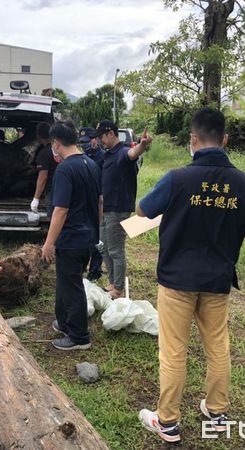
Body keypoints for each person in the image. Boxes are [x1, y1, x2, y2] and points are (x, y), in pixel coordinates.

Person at [136, 108, 245, 444]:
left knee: (174, 352)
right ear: (224, 139)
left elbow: (142, 211)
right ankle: (217, 412)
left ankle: (167, 421)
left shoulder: (177, 178)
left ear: (193, 139)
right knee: (217, 346)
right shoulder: (243, 183)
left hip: (176, 279)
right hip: (217, 279)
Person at [41, 120, 102, 351]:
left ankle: (79, 337)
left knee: (72, 284)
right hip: (87, 236)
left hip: (71, 238)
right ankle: (64, 322)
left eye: (52, 144)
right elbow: (100, 202)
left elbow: (61, 210)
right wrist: (96, 229)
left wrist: (49, 243)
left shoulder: (66, 168)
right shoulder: (91, 164)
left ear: (56, 143)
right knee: (66, 281)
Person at [96, 119, 152, 298]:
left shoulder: (122, 152)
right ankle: (113, 282)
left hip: (117, 210)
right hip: (105, 209)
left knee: (115, 250)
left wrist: (142, 145)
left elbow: (133, 153)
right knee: (104, 248)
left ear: (111, 134)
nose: (99, 141)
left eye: (102, 137)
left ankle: (119, 289)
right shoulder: (108, 154)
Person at [79, 127, 106, 281]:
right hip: (83, 200)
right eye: (82, 142)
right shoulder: (81, 155)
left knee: (96, 237)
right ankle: (83, 267)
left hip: (98, 200)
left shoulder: (103, 157)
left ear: (95, 139)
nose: (84, 145)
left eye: (87, 141)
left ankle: (95, 270)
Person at [31, 122, 59, 214]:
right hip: (61, 189)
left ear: (38, 136)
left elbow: (43, 177)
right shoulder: (59, 149)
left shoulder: (44, 153)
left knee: (53, 217)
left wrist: (36, 199)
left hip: (51, 192)